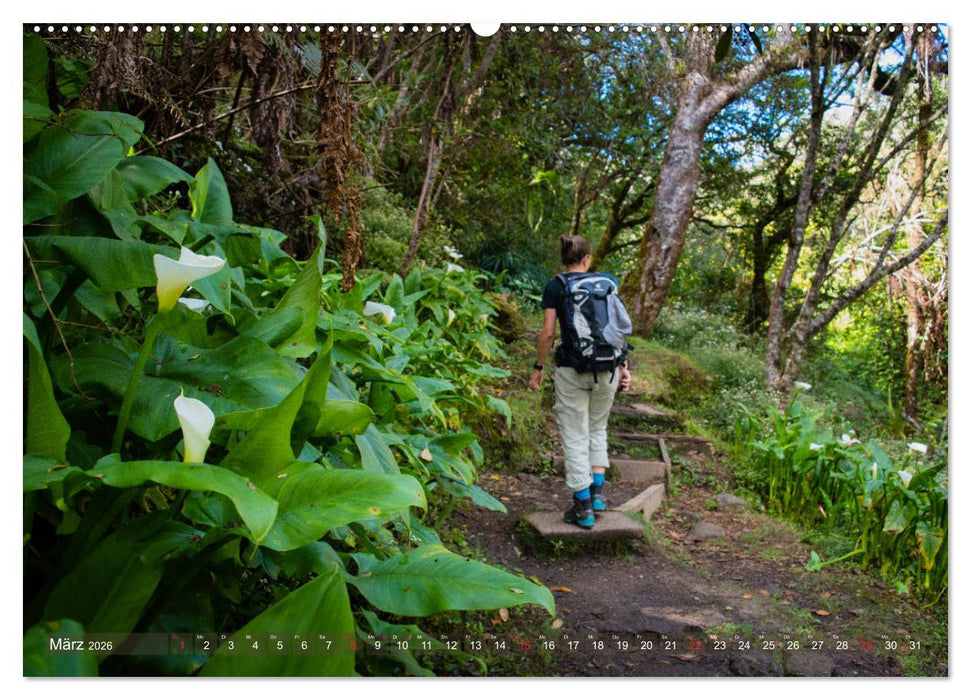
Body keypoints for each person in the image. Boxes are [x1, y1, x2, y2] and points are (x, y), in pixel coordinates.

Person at [530, 235, 631, 529]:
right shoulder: (607, 284)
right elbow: (615, 330)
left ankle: (583, 507)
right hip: (608, 369)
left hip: (572, 370)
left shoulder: (556, 286)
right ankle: (597, 496)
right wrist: (624, 366)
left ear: (564, 258)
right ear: (587, 259)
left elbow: (548, 333)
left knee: (575, 433)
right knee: (597, 427)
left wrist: (538, 367)